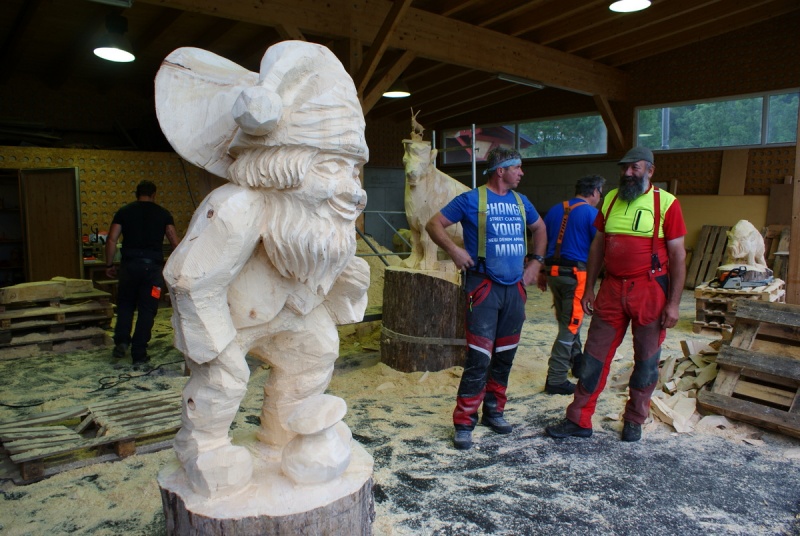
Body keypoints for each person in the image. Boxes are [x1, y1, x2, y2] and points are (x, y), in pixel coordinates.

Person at [545, 146, 686, 442]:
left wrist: (673, 304)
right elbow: (597, 245)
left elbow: (677, 256)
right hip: (611, 289)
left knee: (646, 360)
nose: (628, 173)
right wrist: (590, 287)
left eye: (635, 167)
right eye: (624, 168)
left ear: (650, 170)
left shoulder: (667, 203)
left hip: (649, 290)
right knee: (594, 356)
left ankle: (634, 419)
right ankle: (578, 419)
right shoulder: (609, 199)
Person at [426, 146, 547, 450]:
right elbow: (433, 224)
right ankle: (464, 421)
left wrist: (536, 262)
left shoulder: (521, 202)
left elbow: (540, 228)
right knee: (479, 357)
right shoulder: (471, 199)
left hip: (514, 288)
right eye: (517, 167)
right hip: (483, 287)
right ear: (501, 170)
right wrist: (455, 251)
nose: (521, 173)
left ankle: (494, 411)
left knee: (505, 354)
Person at [540, 175, 605, 395]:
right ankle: (556, 378)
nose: (600, 197)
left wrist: (541, 271)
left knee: (567, 320)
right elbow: (600, 247)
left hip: (553, 273)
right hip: (576, 275)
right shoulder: (592, 214)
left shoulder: (554, 210)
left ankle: (577, 363)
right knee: (570, 326)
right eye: (600, 193)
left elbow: (543, 241)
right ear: (594, 191)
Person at [105, 180, 179, 366]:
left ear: (136, 194)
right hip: (152, 271)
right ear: (154, 194)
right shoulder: (163, 214)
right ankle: (139, 352)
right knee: (148, 308)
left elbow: (112, 239)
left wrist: (109, 264)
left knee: (125, 304)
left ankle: (121, 342)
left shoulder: (124, 211)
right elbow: (174, 241)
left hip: (129, 268)